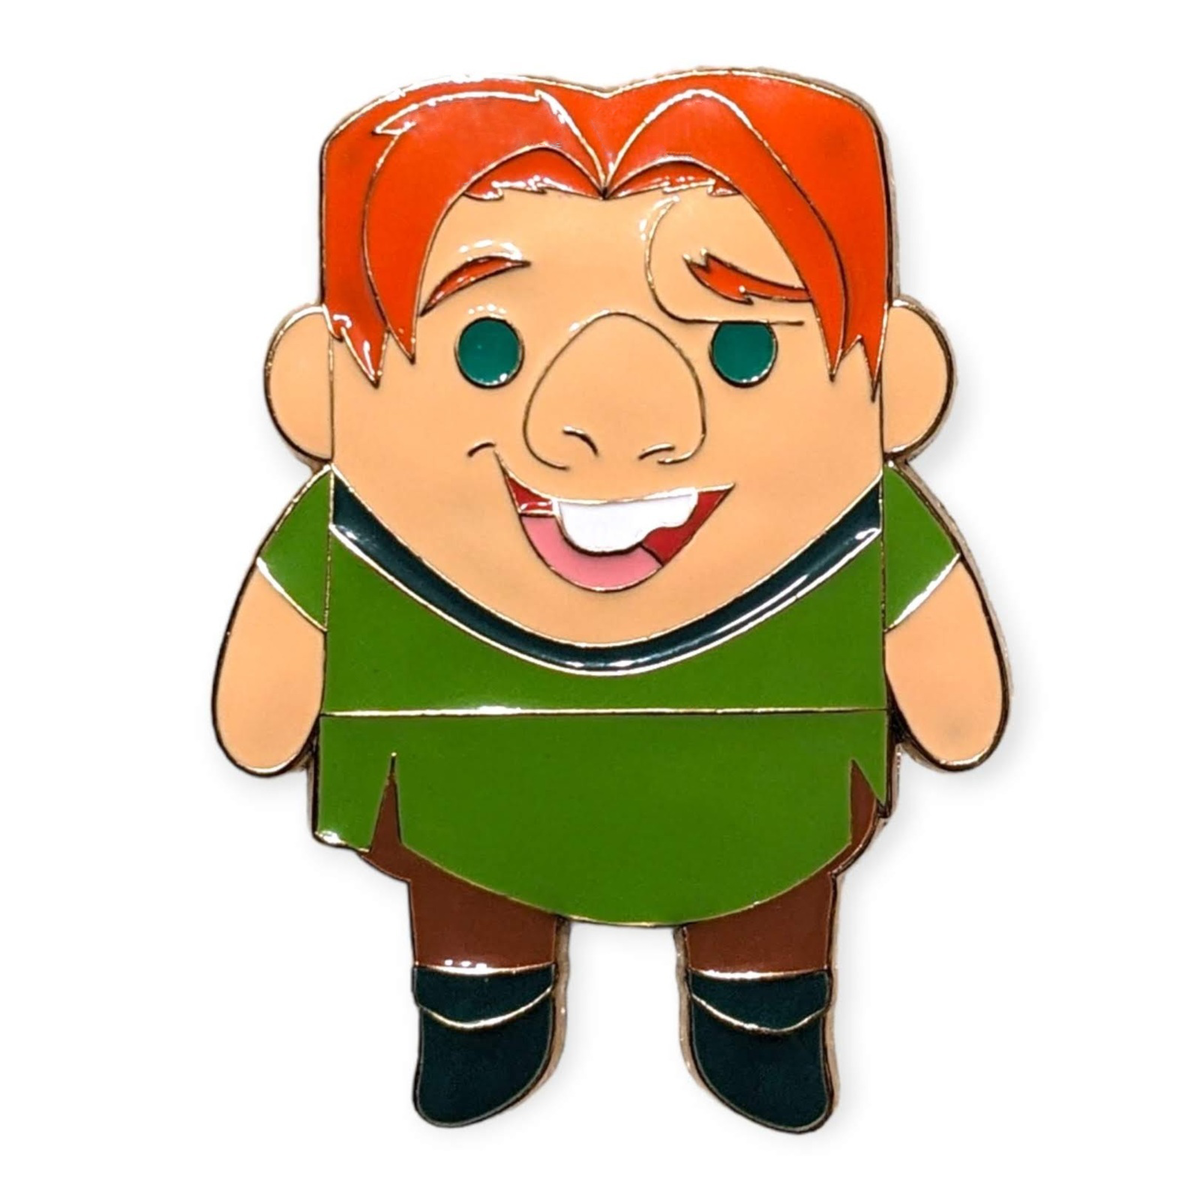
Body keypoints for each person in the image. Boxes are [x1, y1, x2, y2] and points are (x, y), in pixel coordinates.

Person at [214, 71, 1008, 1131]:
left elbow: (957, 707)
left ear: (893, 382)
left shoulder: (861, 531)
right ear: (318, 385)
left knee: (766, 890)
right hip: (469, 808)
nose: (611, 427)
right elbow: (263, 707)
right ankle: (483, 1000)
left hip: (761, 807)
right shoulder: (353, 535)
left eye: (741, 347)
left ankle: (757, 1006)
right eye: (487, 349)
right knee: (473, 890)